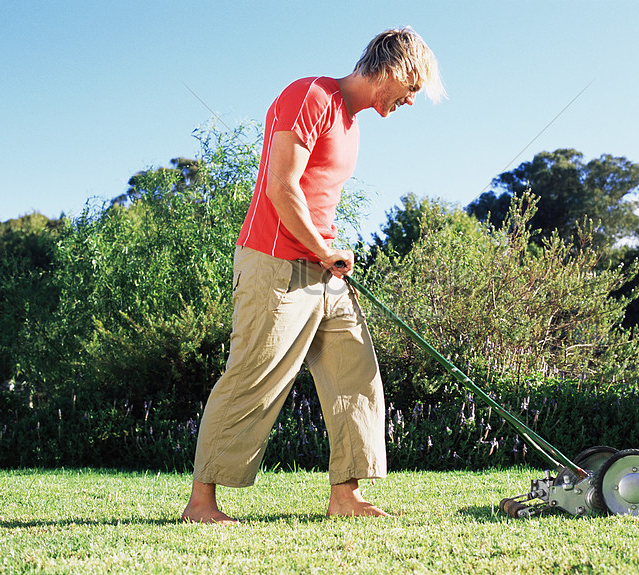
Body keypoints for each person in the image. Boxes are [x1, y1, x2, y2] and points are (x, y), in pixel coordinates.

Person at [181, 27, 445, 524]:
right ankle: (201, 504)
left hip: (323, 271)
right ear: (396, 69)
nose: (410, 103)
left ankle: (345, 496)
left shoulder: (352, 125)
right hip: (274, 262)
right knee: (253, 377)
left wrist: (328, 254)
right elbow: (282, 186)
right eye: (412, 90)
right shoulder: (310, 95)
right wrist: (325, 250)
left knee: (355, 371)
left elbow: (318, 196)